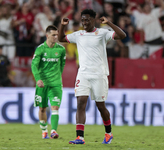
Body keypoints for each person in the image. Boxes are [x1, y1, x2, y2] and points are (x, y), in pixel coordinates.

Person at [58, 9, 126, 144]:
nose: (84, 22)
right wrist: (63, 25)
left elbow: (122, 35)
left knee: (101, 106)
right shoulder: (78, 34)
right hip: (83, 73)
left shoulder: (102, 33)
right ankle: (80, 137)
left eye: (87, 19)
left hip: (99, 74)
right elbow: (61, 38)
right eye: (83, 20)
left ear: (93, 20)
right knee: (80, 102)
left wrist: (109, 23)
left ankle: (108, 133)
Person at [31, 25, 66, 139]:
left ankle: (54, 131)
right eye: (53, 35)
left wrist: (57, 77)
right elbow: (34, 65)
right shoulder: (40, 49)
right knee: (42, 108)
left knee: (55, 107)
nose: (56, 37)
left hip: (55, 83)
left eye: (57, 35)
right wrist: (38, 79)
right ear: (47, 36)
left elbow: (62, 65)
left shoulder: (61, 49)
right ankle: (44, 130)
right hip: (42, 84)